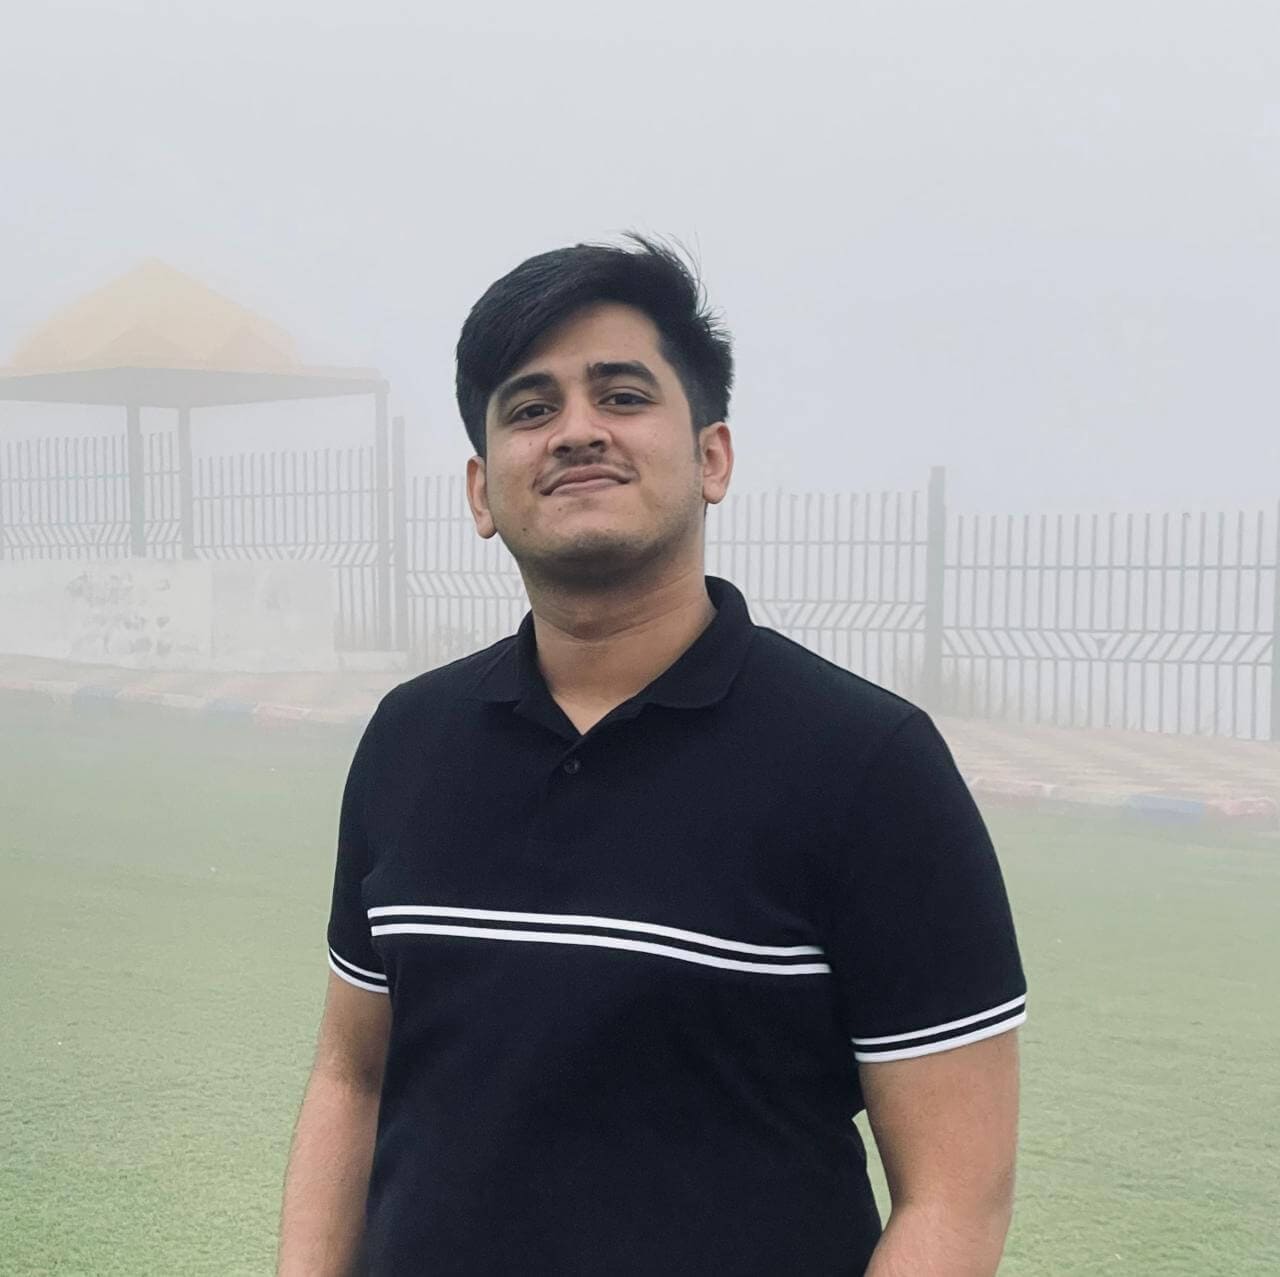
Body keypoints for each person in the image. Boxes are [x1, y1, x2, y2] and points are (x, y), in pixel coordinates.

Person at [277, 233, 1027, 1276]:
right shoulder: (410, 739)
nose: (576, 430)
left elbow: (954, 1197)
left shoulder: (868, 765)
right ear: (481, 491)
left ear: (713, 457)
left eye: (622, 395)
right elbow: (351, 1077)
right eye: (529, 408)